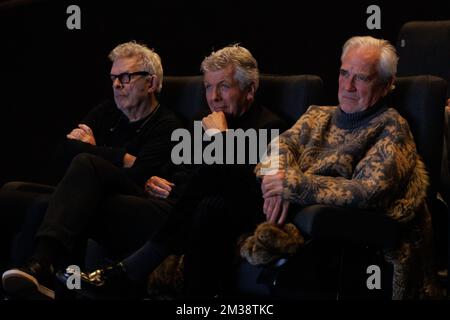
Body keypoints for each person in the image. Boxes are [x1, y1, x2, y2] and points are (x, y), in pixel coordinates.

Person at [66, 44, 287, 299]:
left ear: (250, 90)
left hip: (223, 216)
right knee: (101, 201)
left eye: (224, 86)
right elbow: (174, 170)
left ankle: (130, 271)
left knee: (210, 196)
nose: (213, 97)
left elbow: (246, 188)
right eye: (207, 87)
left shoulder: (270, 127)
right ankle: (77, 286)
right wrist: (154, 181)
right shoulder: (199, 120)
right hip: (175, 211)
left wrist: (219, 137)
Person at [245, 36, 439, 299]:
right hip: (299, 226)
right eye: (344, 73)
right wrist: (277, 183)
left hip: (349, 238)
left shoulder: (391, 126)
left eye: (362, 78)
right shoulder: (317, 115)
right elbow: (278, 148)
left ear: (386, 85)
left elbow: (370, 192)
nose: (348, 86)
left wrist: (292, 186)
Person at [1, 41, 181, 299]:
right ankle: (26, 283)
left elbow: (139, 176)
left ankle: (41, 264)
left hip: (136, 203)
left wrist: (93, 153)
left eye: (126, 77)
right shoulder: (107, 111)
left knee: (86, 165)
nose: (117, 84)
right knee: (24, 198)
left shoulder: (169, 127)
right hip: (98, 192)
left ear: (151, 84)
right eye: (113, 78)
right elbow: (63, 152)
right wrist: (121, 156)